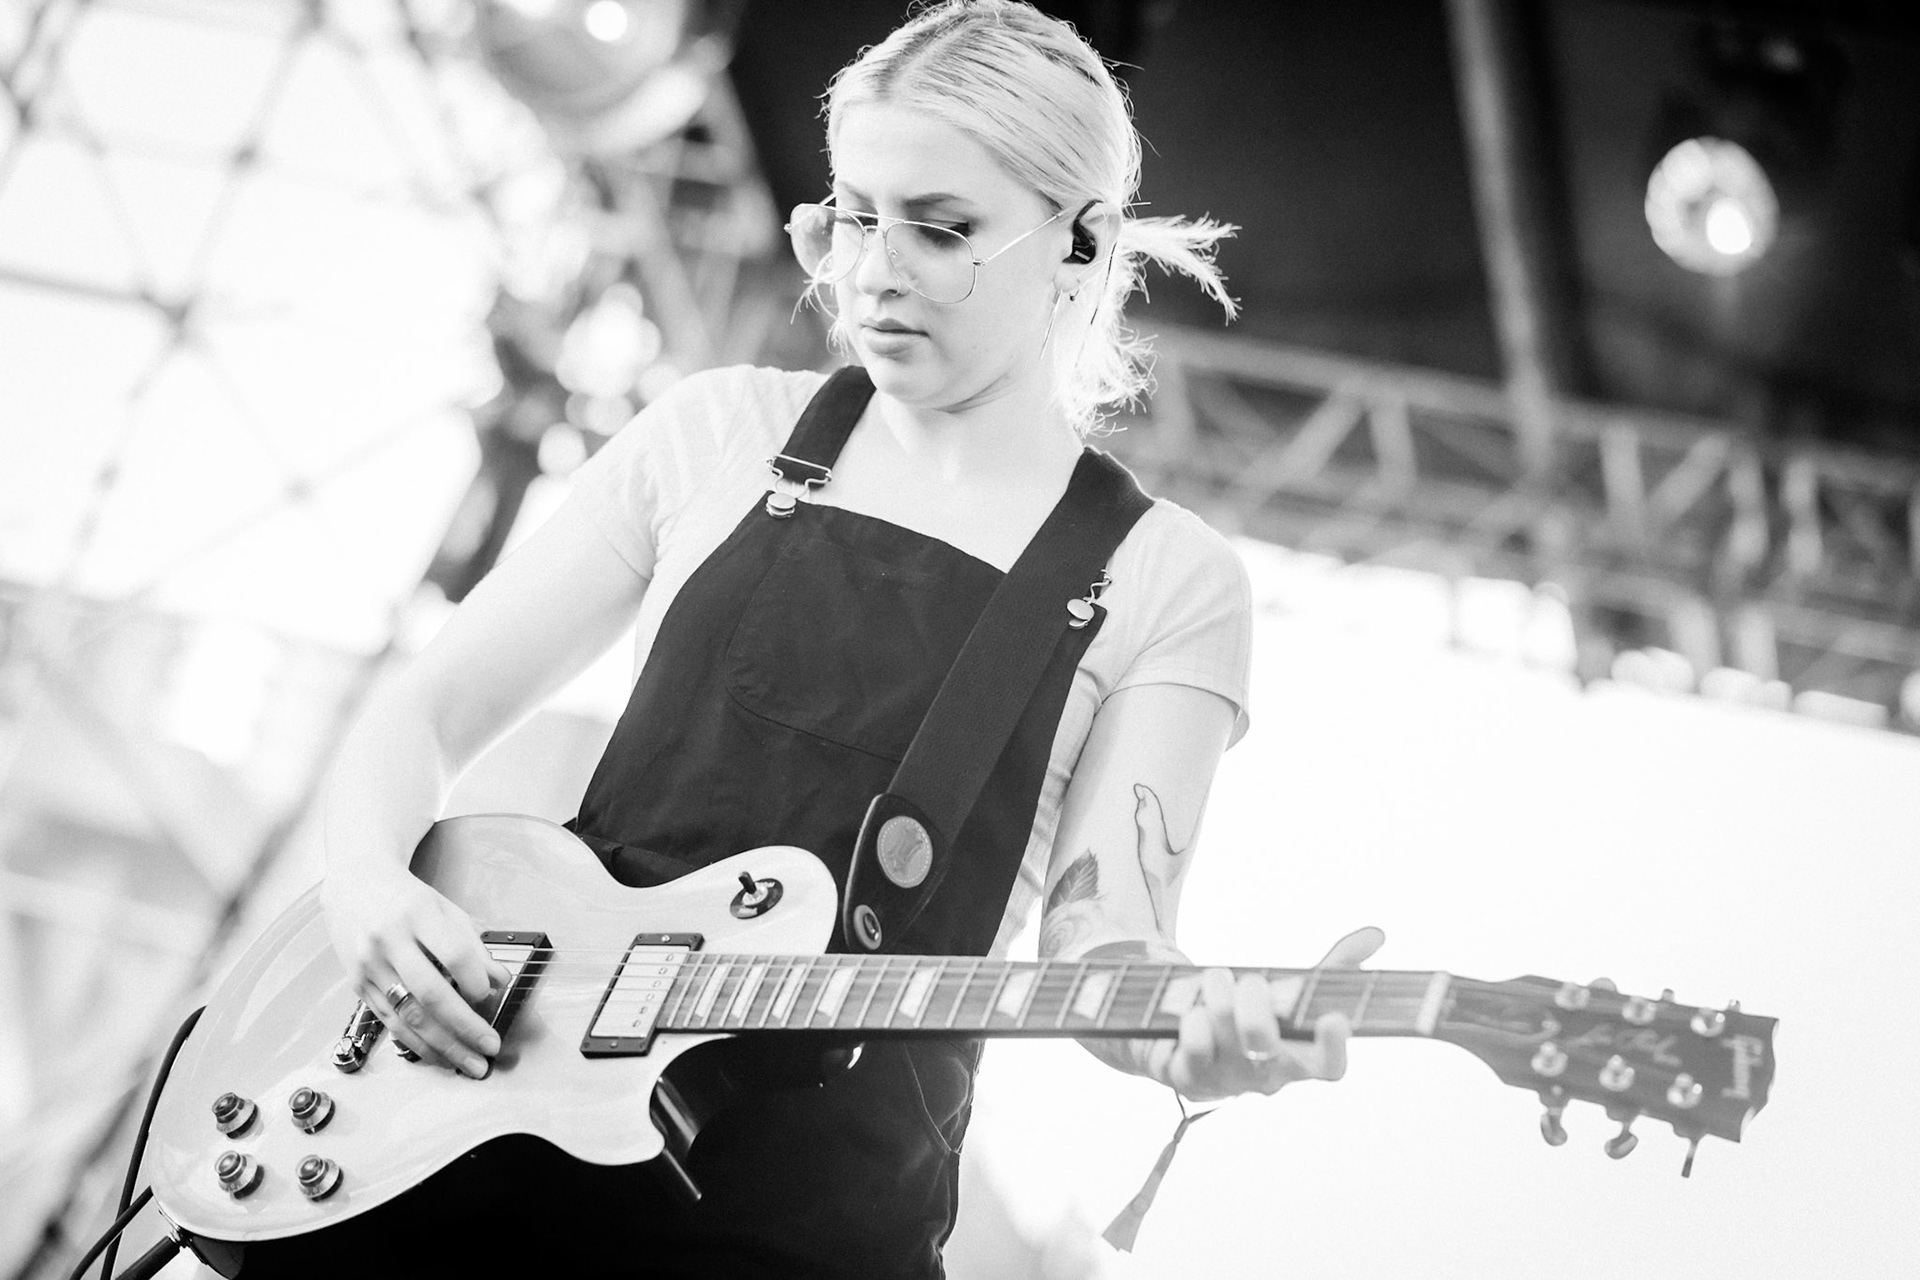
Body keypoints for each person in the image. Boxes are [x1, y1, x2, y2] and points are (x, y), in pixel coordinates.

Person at [272, 2, 1381, 1276]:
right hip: (481, 1146)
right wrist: (367, 884)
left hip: (815, 1219)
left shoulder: (1168, 577)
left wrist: (1197, 1026)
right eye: (852, 214)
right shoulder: (716, 431)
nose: (871, 273)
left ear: (1080, 241)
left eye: (942, 229)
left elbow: (1100, 942)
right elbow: (425, 710)